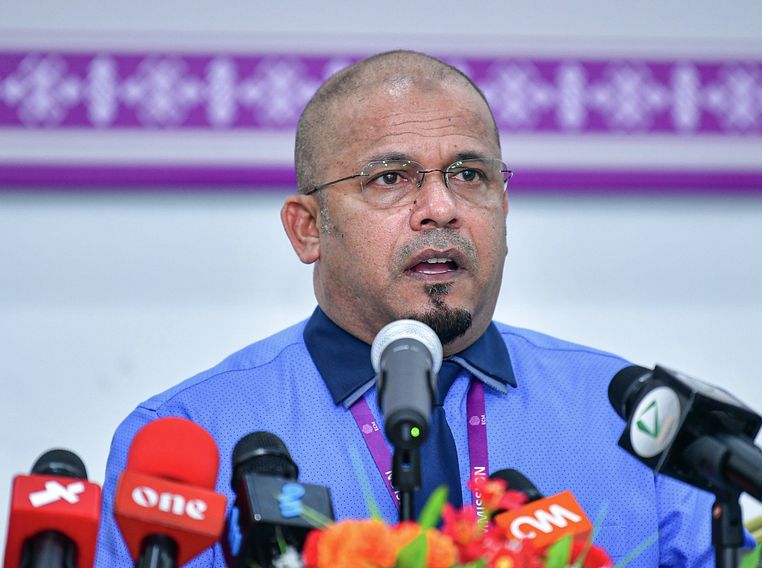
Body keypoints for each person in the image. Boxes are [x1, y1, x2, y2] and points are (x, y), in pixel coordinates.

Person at [95, 50, 715, 566]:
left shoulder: (634, 419)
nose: (441, 208)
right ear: (308, 229)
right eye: (391, 177)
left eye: (469, 175)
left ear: (504, 208)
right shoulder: (193, 435)